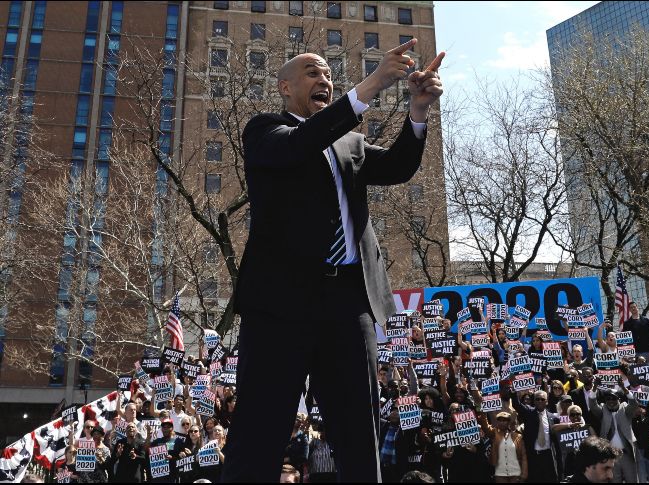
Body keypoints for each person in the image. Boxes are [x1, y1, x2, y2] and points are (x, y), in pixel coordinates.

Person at [223, 38, 445, 482]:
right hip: (280, 305)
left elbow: (399, 166)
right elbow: (298, 147)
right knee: (260, 429)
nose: (323, 79)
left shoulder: (350, 143)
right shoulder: (265, 131)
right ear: (284, 86)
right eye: (312, 72)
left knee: (358, 430)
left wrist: (417, 111)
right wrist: (374, 83)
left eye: (327, 74)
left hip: (348, 303)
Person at [587, 387, 639, 483]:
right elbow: (592, 405)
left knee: (633, 480)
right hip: (611, 457)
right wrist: (594, 388)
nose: (611, 401)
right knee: (614, 481)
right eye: (608, 399)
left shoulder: (625, 409)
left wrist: (624, 388)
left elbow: (633, 403)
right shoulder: (603, 410)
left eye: (614, 398)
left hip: (626, 454)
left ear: (619, 399)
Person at [510, 389, 561, 483]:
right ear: (534, 401)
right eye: (537, 399)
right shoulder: (528, 413)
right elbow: (517, 405)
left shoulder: (554, 418)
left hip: (548, 457)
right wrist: (513, 393)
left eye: (542, 399)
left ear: (547, 401)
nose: (540, 401)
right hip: (533, 457)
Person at [478, 410, 528, 483]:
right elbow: (485, 427)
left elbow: (523, 456)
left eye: (505, 420)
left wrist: (524, 474)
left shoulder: (518, 436)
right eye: (500, 420)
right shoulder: (494, 433)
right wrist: (483, 413)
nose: (502, 422)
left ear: (509, 422)